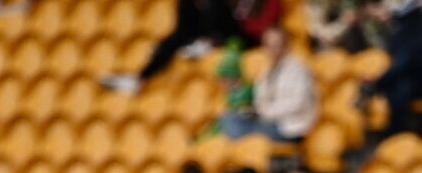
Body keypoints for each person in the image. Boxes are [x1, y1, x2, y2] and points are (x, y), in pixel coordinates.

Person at [99, 0, 242, 96]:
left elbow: (233, 22)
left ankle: (207, 43)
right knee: (167, 44)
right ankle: (138, 78)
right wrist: (164, 45)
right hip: (195, 37)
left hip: (227, 36)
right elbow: (183, 30)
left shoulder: (219, 5)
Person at [362, 0, 422, 136]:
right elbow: (396, 46)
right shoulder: (414, 19)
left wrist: (416, 52)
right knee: (402, 84)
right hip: (407, 76)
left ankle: (377, 84)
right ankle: (393, 133)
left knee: (406, 61)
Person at [220, 27, 318, 142]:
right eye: (268, 45)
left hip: (288, 127)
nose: (271, 49)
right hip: (267, 121)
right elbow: (260, 97)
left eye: (276, 45)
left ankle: (240, 144)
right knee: (230, 117)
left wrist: (268, 111)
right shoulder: (268, 69)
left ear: (286, 46)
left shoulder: (298, 69)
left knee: (243, 131)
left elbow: (298, 103)